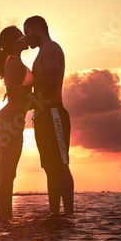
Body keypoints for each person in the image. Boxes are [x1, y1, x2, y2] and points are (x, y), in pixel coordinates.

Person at [23, 15, 74, 216]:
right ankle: (54, 215)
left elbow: (50, 84)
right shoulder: (42, 52)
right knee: (49, 168)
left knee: (61, 166)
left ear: (37, 28)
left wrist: (28, 98)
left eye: (27, 32)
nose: (27, 38)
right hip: (43, 116)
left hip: (53, 113)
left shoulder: (51, 48)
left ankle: (69, 215)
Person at [0, 26, 33, 218]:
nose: (26, 39)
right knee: (7, 174)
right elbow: (14, 91)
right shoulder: (14, 62)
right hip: (11, 120)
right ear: (16, 43)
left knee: (3, 174)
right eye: (23, 37)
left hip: (8, 119)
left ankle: (2, 217)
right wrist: (37, 99)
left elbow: (14, 89)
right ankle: (5, 217)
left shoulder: (12, 61)